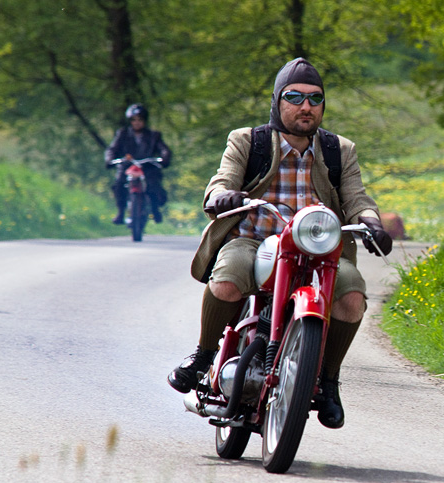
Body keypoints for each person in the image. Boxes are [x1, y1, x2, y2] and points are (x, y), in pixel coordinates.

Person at [167, 57, 393, 430]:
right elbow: (221, 181)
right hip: (255, 240)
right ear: (277, 101)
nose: (306, 106)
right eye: (295, 96)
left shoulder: (339, 150)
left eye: (315, 98)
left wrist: (371, 223)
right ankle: (204, 356)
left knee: (352, 298)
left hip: (317, 251)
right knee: (226, 282)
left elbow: (357, 199)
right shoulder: (248, 141)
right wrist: (223, 195)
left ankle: (329, 382)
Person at [105, 103, 172, 224]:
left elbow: (164, 149)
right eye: (134, 120)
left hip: (147, 166)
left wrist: (164, 158)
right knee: (119, 183)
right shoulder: (123, 134)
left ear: (144, 120)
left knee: (153, 185)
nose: (137, 122)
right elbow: (112, 149)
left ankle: (155, 209)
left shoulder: (154, 135)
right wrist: (110, 159)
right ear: (130, 121)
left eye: (140, 119)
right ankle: (120, 212)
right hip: (128, 166)